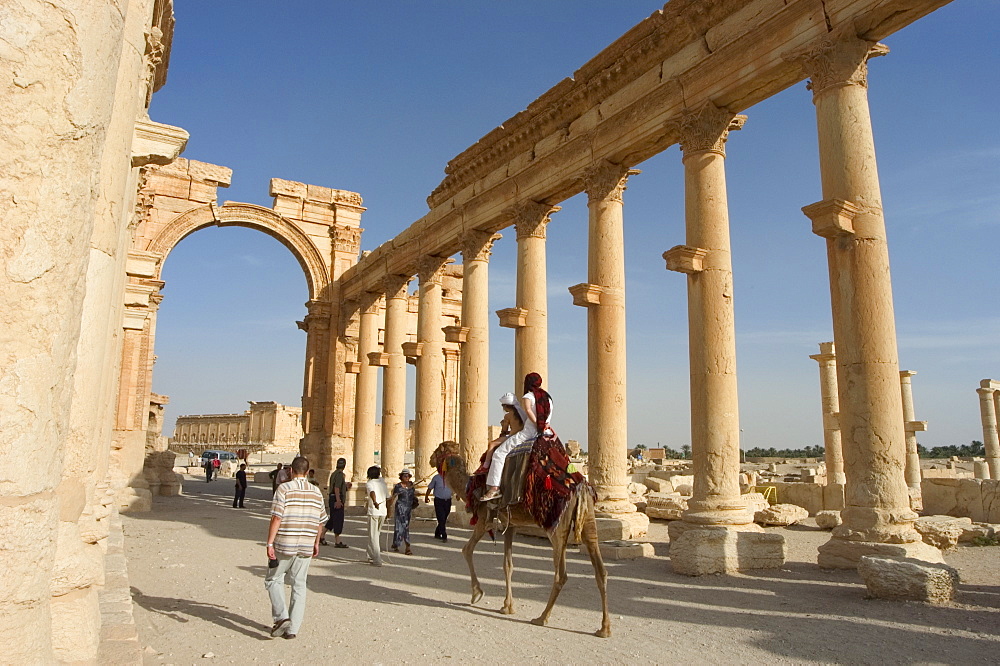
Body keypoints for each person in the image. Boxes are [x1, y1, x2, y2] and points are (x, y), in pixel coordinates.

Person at [265, 455, 327, 640]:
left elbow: (277, 517)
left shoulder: (284, 489)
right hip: (306, 545)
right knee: (299, 585)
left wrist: (269, 542)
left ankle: (281, 617)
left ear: (291, 471)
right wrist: (316, 542)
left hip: (285, 544)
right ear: (308, 473)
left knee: (273, 580)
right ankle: (293, 629)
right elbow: (321, 521)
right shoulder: (316, 492)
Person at [482, 373, 553, 501]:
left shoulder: (528, 397)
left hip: (530, 432)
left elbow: (529, 411)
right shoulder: (548, 397)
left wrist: (538, 425)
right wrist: (544, 426)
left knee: (499, 453)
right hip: (547, 432)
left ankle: (494, 488)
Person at [320, 458, 350, 548]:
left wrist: (345, 486)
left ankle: (322, 536)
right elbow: (336, 488)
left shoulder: (334, 474)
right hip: (337, 498)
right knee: (338, 519)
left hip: (332, 497)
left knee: (333, 519)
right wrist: (338, 500)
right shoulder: (340, 475)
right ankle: (337, 541)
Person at [388, 469, 415, 555]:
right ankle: (408, 546)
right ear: (401, 477)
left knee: (404, 526)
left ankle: (396, 543)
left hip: (408, 508)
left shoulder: (412, 485)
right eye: (405, 476)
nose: (407, 477)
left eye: (408, 476)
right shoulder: (398, 486)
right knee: (402, 526)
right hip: (400, 508)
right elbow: (393, 497)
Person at [365, 465, 388, 566]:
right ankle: (371, 555)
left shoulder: (369, 483)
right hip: (383, 512)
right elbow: (388, 497)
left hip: (374, 512)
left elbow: (372, 492)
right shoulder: (383, 483)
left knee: (373, 536)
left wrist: (374, 501)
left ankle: (377, 559)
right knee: (376, 535)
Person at [424, 471, 452, 542]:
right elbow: (430, 488)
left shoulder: (450, 478)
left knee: (444, 517)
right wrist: (426, 497)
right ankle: (444, 535)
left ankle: (437, 532)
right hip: (439, 500)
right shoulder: (436, 478)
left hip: (448, 500)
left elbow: (455, 487)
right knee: (441, 517)